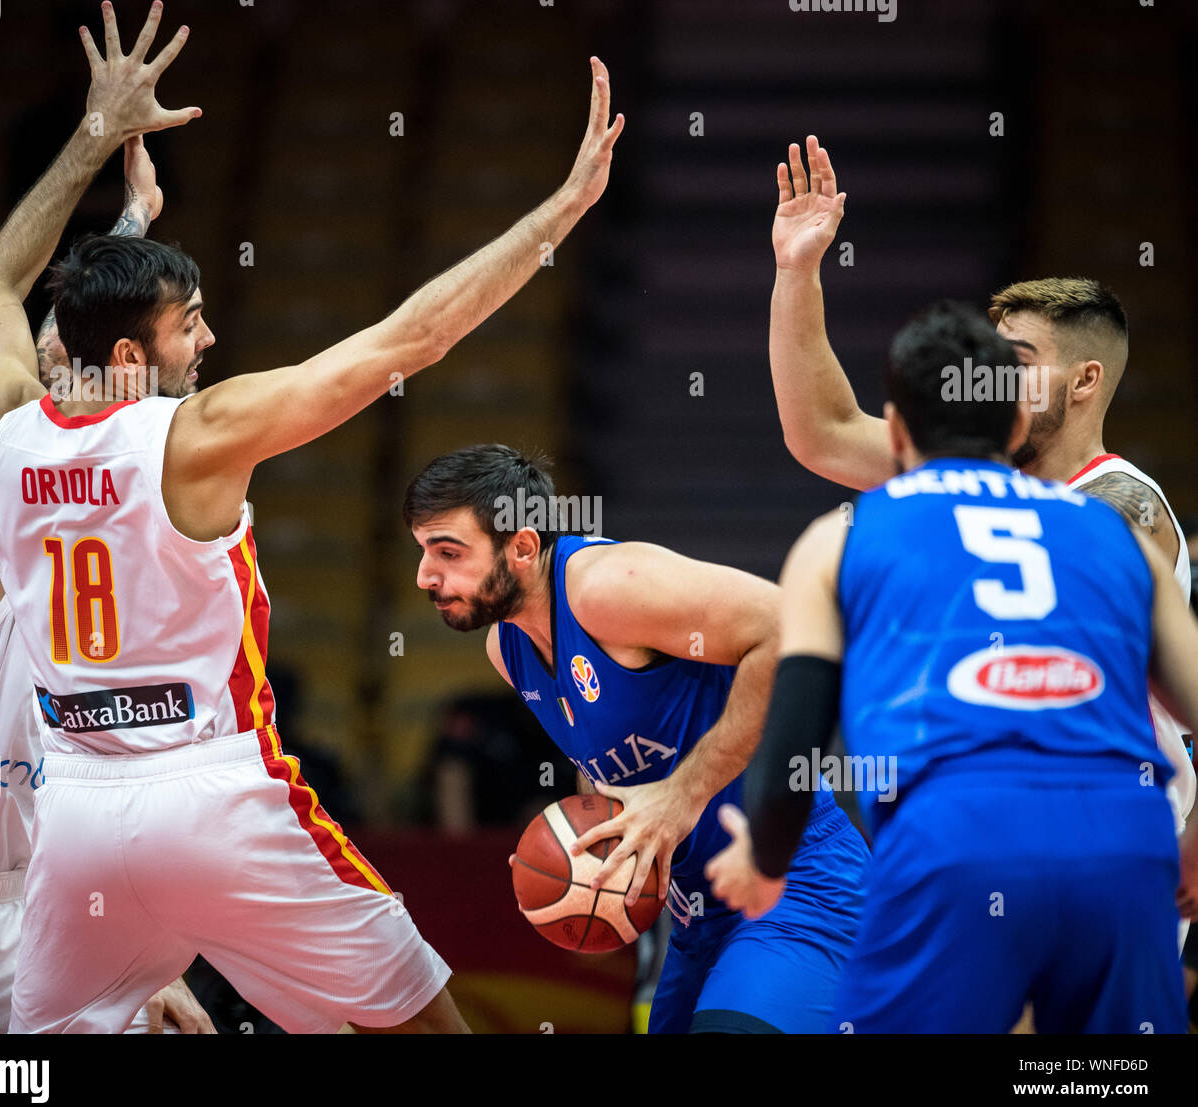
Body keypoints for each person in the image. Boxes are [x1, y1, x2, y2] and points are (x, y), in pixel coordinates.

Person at [0, 2, 621, 1034]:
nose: (209, 339)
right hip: (215, 794)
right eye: (190, 327)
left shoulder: (6, 430)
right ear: (134, 359)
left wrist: (93, 138)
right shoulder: (196, 434)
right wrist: (556, 217)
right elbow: (406, 342)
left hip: (77, 813)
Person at [709, 302, 1198, 1032]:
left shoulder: (843, 536)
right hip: (1122, 843)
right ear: (1011, 432)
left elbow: (795, 735)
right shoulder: (1107, 529)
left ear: (897, 433)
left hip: (955, 838)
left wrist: (766, 858)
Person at [765, 135, 1196, 838]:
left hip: (1119, 826)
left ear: (1086, 381)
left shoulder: (1124, 502)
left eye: (1016, 362)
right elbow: (824, 430)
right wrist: (797, 269)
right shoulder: (977, 475)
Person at [0, 134, 209, 1035]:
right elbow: (0, 296)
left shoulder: (87, 509)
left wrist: (135, 219)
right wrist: (95, 142)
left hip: (56, 900)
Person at [404, 444, 868, 1033]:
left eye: (448, 552)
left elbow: (789, 628)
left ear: (522, 547)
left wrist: (683, 795)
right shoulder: (507, 647)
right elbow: (604, 766)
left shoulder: (609, 587)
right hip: (697, 914)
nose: (426, 576)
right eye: (423, 551)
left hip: (793, 880)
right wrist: (596, 853)